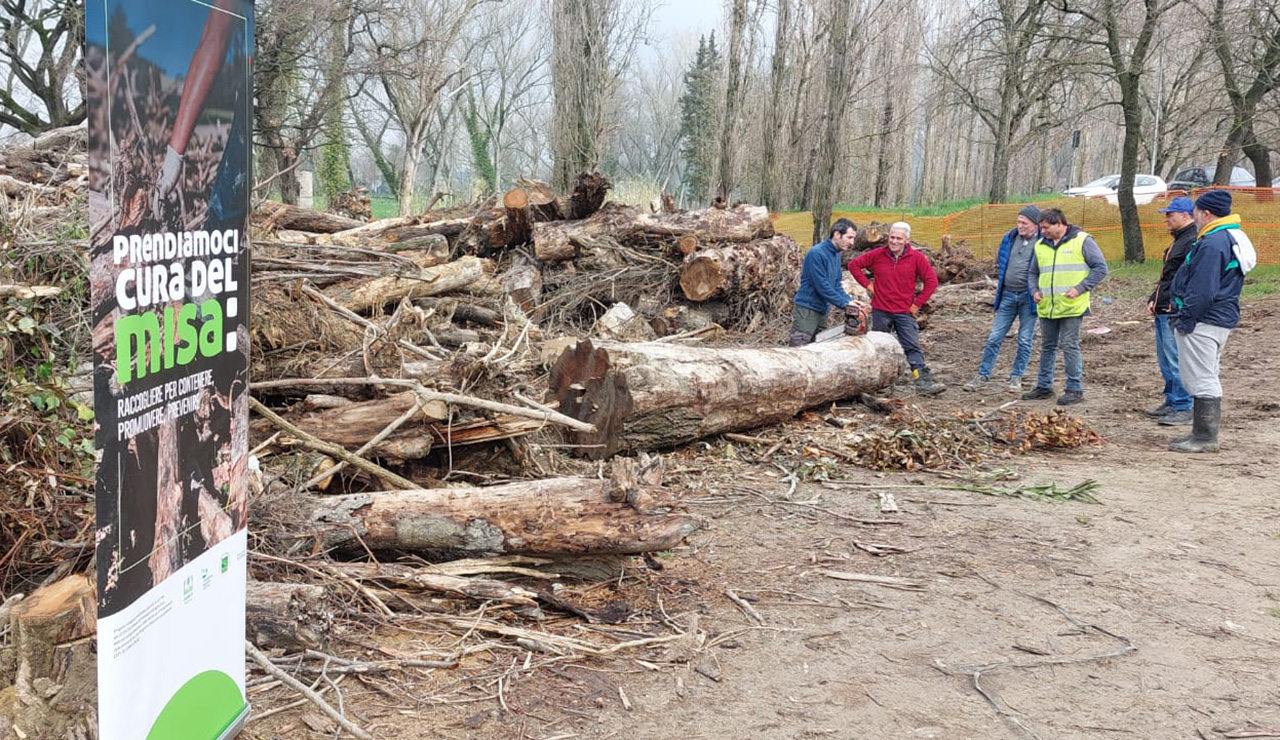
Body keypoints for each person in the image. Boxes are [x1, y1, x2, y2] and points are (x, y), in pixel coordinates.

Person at [1166, 190, 1256, 453]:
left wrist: (1185, 318)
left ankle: (1204, 437)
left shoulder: (1213, 242)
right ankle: (1200, 432)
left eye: (1195, 211)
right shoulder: (1227, 238)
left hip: (1204, 319)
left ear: (1206, 213)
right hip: (1217, 317)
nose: (1193, 215)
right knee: (1204, 373)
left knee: (1201, 377)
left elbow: (1202, 288)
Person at [1021, 208, 1109, 405]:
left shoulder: (1083, 240)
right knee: (1047, 347)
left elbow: (1101, 268)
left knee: (1069, 345)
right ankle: (1044, 386)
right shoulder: (1040, 245)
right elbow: (1032, 273)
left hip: (1071, 306)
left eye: (1045, 228)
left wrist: (1081, 288)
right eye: (1041, 228)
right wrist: (1034, 290)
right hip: (1047, 306)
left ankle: (1074, 389)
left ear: (1059, 224)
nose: (1042, 231)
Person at [848, 222, 945, 394]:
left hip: (904, 311)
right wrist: (868, 285)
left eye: (899, 238)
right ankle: (880, 385)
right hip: (880, 310)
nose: (894, 241)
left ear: (907, 240)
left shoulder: (916, 258)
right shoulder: (877, 254)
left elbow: (932, 282)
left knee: (912, 346)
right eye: (892, 237)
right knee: (881, 348)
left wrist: (917, 304)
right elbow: (853, 265)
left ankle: (922, 382)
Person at [963, 205, 1041, 393]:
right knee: (994, 337)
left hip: (1029, 298)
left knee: (1024, 339)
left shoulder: (1043, 243)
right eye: (1019, 221)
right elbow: (1002, 262)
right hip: (1007, 295)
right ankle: (982, 374)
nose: (1020, 226)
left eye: (1025, 223)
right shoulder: (1009, 238)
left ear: (1036, 225)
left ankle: (1016, 377)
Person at [1144, 197, 1197, 425]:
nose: (1166, 218)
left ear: (1185, 216)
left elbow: (1184, 278)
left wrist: (1175, 303)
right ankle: (1172, 399)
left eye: (1170, 214)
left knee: (1176, 358)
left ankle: (1184, 405)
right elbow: (1167, 276)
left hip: (1174, 309)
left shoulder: (1191, 241)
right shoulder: (1178, 240)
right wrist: (1153, 298)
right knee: (1165, 358)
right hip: (1163, 306)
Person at [790, 218, 861, 346]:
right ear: (837, 234)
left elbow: (836, 285)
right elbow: (822, 287)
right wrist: (844, 304)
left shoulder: (836, 255)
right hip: (808, 309)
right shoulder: (816, 253)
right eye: (849, 237)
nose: (852, 242)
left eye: (853, 238)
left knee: (819, 348)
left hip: (823, 308)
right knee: (799, 347)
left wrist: (849, 301)